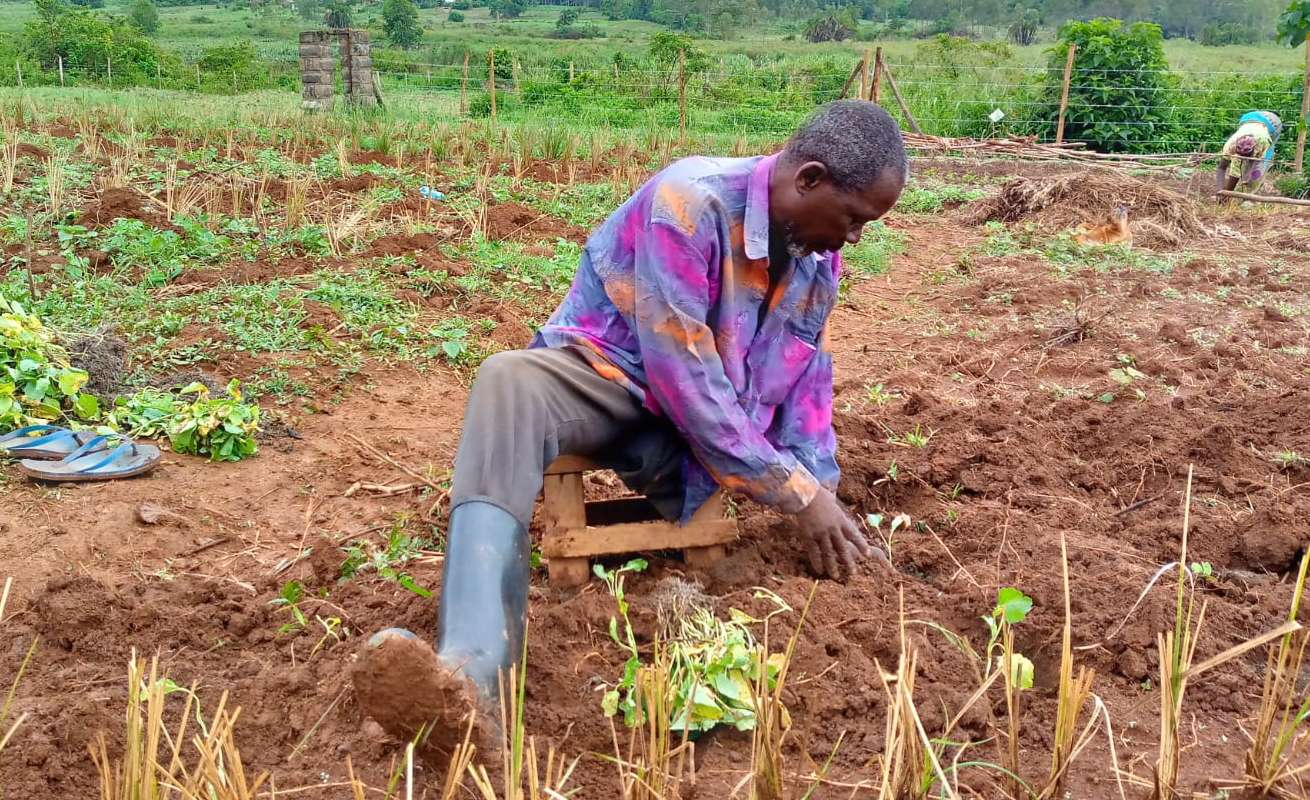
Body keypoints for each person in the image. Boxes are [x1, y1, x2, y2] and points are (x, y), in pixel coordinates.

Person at [352, 98, 908, 741]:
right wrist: (793, 492)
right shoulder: (688, 202)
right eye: (853, 217)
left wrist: (822, 496)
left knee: (763, 453)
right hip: (617, 380)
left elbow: (809, 383)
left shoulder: (816, 258)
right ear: (808, 178)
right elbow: (682, 373)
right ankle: (473, 677)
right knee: (508, 381)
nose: (854, 237)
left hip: (704, 434)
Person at [1217, 110, 1283, 193]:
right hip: (1249, 117)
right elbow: (1221, 167)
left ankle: (1250, 196)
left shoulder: (1263, 142)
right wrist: (1220, 191)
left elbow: (1257, 160)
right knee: (1239, 164)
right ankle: (1236, 192)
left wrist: (1247, 177)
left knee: (1260, 167)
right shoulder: (1229, 146)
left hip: (1273, 124)